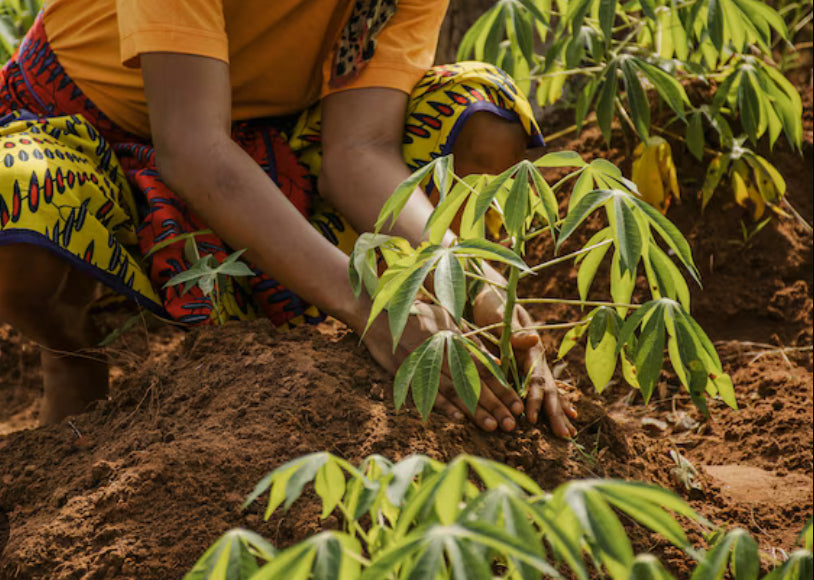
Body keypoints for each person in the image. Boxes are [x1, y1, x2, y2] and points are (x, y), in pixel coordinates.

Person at [0, 0, 577, 436]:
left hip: (261, 139)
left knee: (479, 114)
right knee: (15, 198)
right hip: (76, 123)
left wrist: (472, 281)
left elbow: (359, 152)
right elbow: (192, 146)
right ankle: (70, 349)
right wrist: (370, 308)